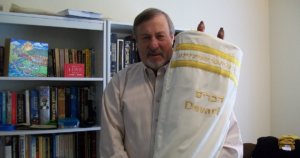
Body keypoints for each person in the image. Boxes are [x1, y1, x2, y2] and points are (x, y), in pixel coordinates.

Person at [100, 8, 243, 158]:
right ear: (136, 41)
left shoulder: (200, 80)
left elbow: (231, 145)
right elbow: (111, 147)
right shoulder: (119, 83)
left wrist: (209, 73)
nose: (153, 44)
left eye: (160, 36)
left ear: (172, 37)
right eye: (146, 37)